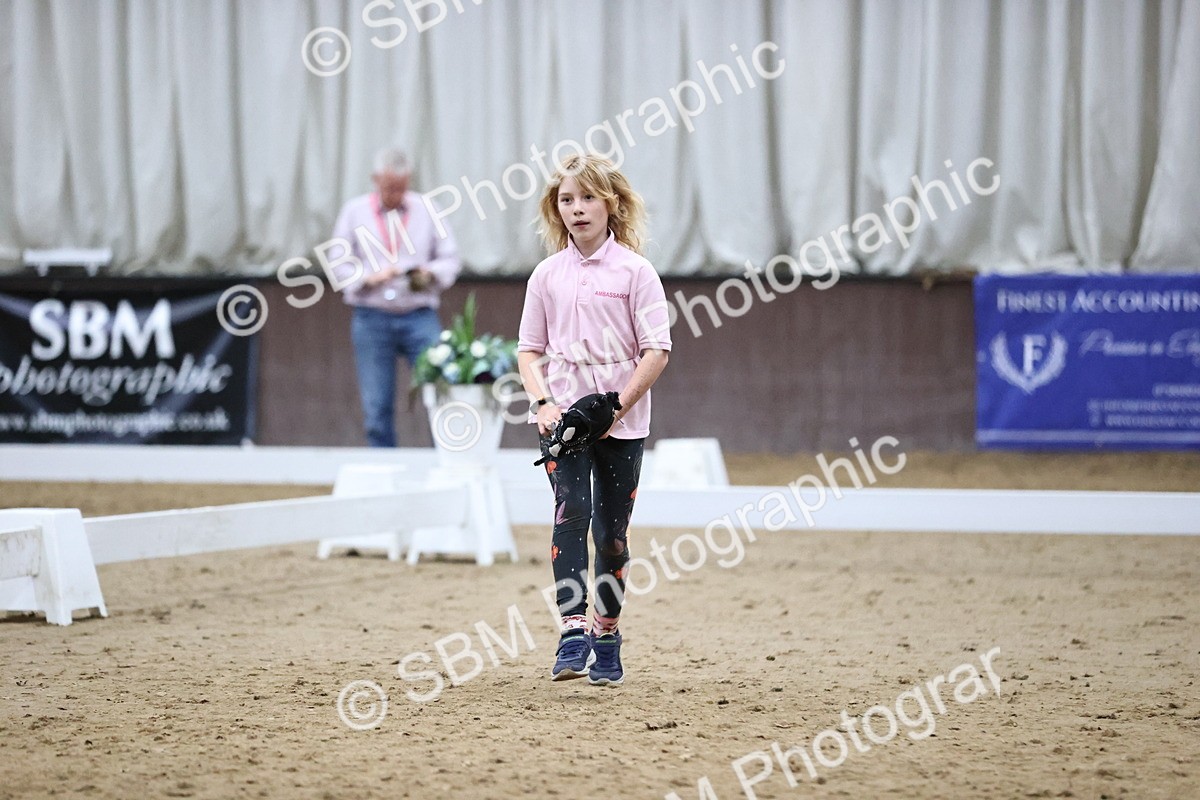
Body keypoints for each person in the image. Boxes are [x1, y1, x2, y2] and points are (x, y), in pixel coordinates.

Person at [517, 154, 672, 686]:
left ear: (612, 204)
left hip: (621, 423)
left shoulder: (636, 272)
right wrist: (543, 404)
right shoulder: (545, 275)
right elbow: (528, 351)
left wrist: (616, 406)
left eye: (587, 198)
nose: (577, 209)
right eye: (567, 199)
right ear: (555, 209)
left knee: (611, 535)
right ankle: (572, 629)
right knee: (570, 516)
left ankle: (606, 633)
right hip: (561, 420)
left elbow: (657, 350)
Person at [331, 147, 461, 447]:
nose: (395, 193)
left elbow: (451, 259)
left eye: (401, 187)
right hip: (371, 316)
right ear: (375, 179)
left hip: (420, 315)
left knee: (440, 395)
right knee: (376, 405)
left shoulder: (428, 209)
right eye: (389, 187)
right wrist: (367, 276)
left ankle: (448, 460)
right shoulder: (354, 211)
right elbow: (337, 262)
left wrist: (429, 273)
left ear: (409, 180)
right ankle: (383, 470)